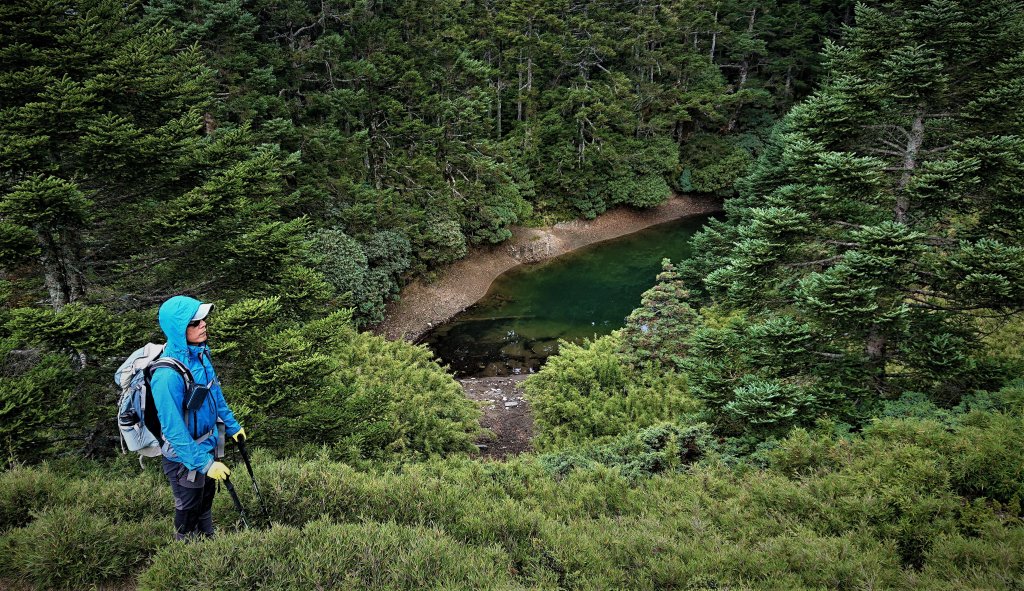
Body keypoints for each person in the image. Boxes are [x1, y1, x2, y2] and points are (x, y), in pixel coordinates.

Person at [152, 295, 246, 541]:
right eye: (194, 323)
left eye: (203, 319)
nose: (203, 324)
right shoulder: (166, 376)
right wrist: (204, 464)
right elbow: (173, 430)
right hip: (183, 456)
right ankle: (184, 554)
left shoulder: (201, 355)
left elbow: (215, 394)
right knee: (188, 506)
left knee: (205, 499)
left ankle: (207, 541)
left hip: (207, 445)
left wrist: (233, 426)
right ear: (179, 329)